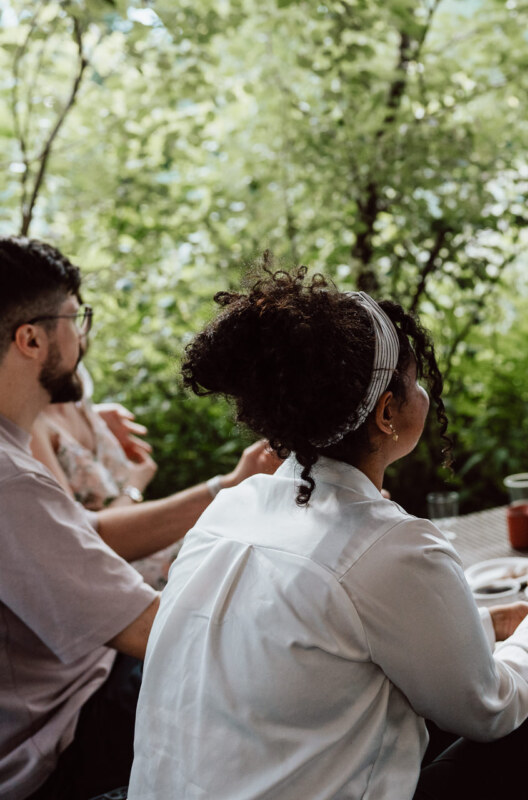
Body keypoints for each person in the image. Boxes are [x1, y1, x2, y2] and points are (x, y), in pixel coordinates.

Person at [129, 265, 528, 799]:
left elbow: (317, 645)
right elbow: (491, 708)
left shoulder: (229, 510)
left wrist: (484, 625)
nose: (425, 396)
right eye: (414, 382)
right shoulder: (385, 545)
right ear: (388, 412)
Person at [0, 236, 273, 800]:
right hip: (66, 734)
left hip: (91, 688)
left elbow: (84, 546)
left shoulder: (17, 463)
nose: (81, 336)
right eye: (74, 319)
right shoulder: (12, 483)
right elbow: (159, 634)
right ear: (30, 339)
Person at [30, 365, 277, 587]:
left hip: (151, 542)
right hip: (121, 575)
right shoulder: (28, 427)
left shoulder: (75, 393)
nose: (81, 330)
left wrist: (95, 417)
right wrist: (134, 487)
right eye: (74, 317)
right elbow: (81, 539)